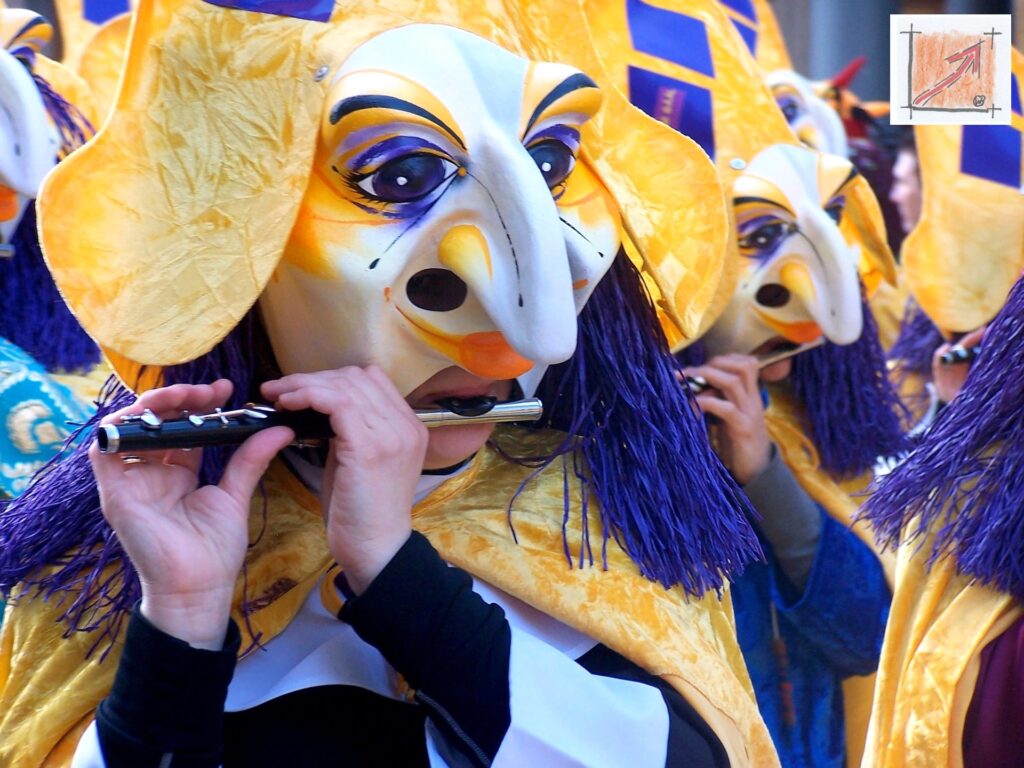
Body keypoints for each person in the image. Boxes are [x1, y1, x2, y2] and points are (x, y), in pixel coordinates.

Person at [0, 1, 779, 766]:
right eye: (403, 175)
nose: (537, 325)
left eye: (550, 165)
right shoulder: (122, 555)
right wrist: (178, 620)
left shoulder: (607, 520)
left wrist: (395, 570)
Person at [582, 3, 899, 766]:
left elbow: (866, 634)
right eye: (756, 237)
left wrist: (765, 474)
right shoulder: (595, 437)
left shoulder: (798, 420)